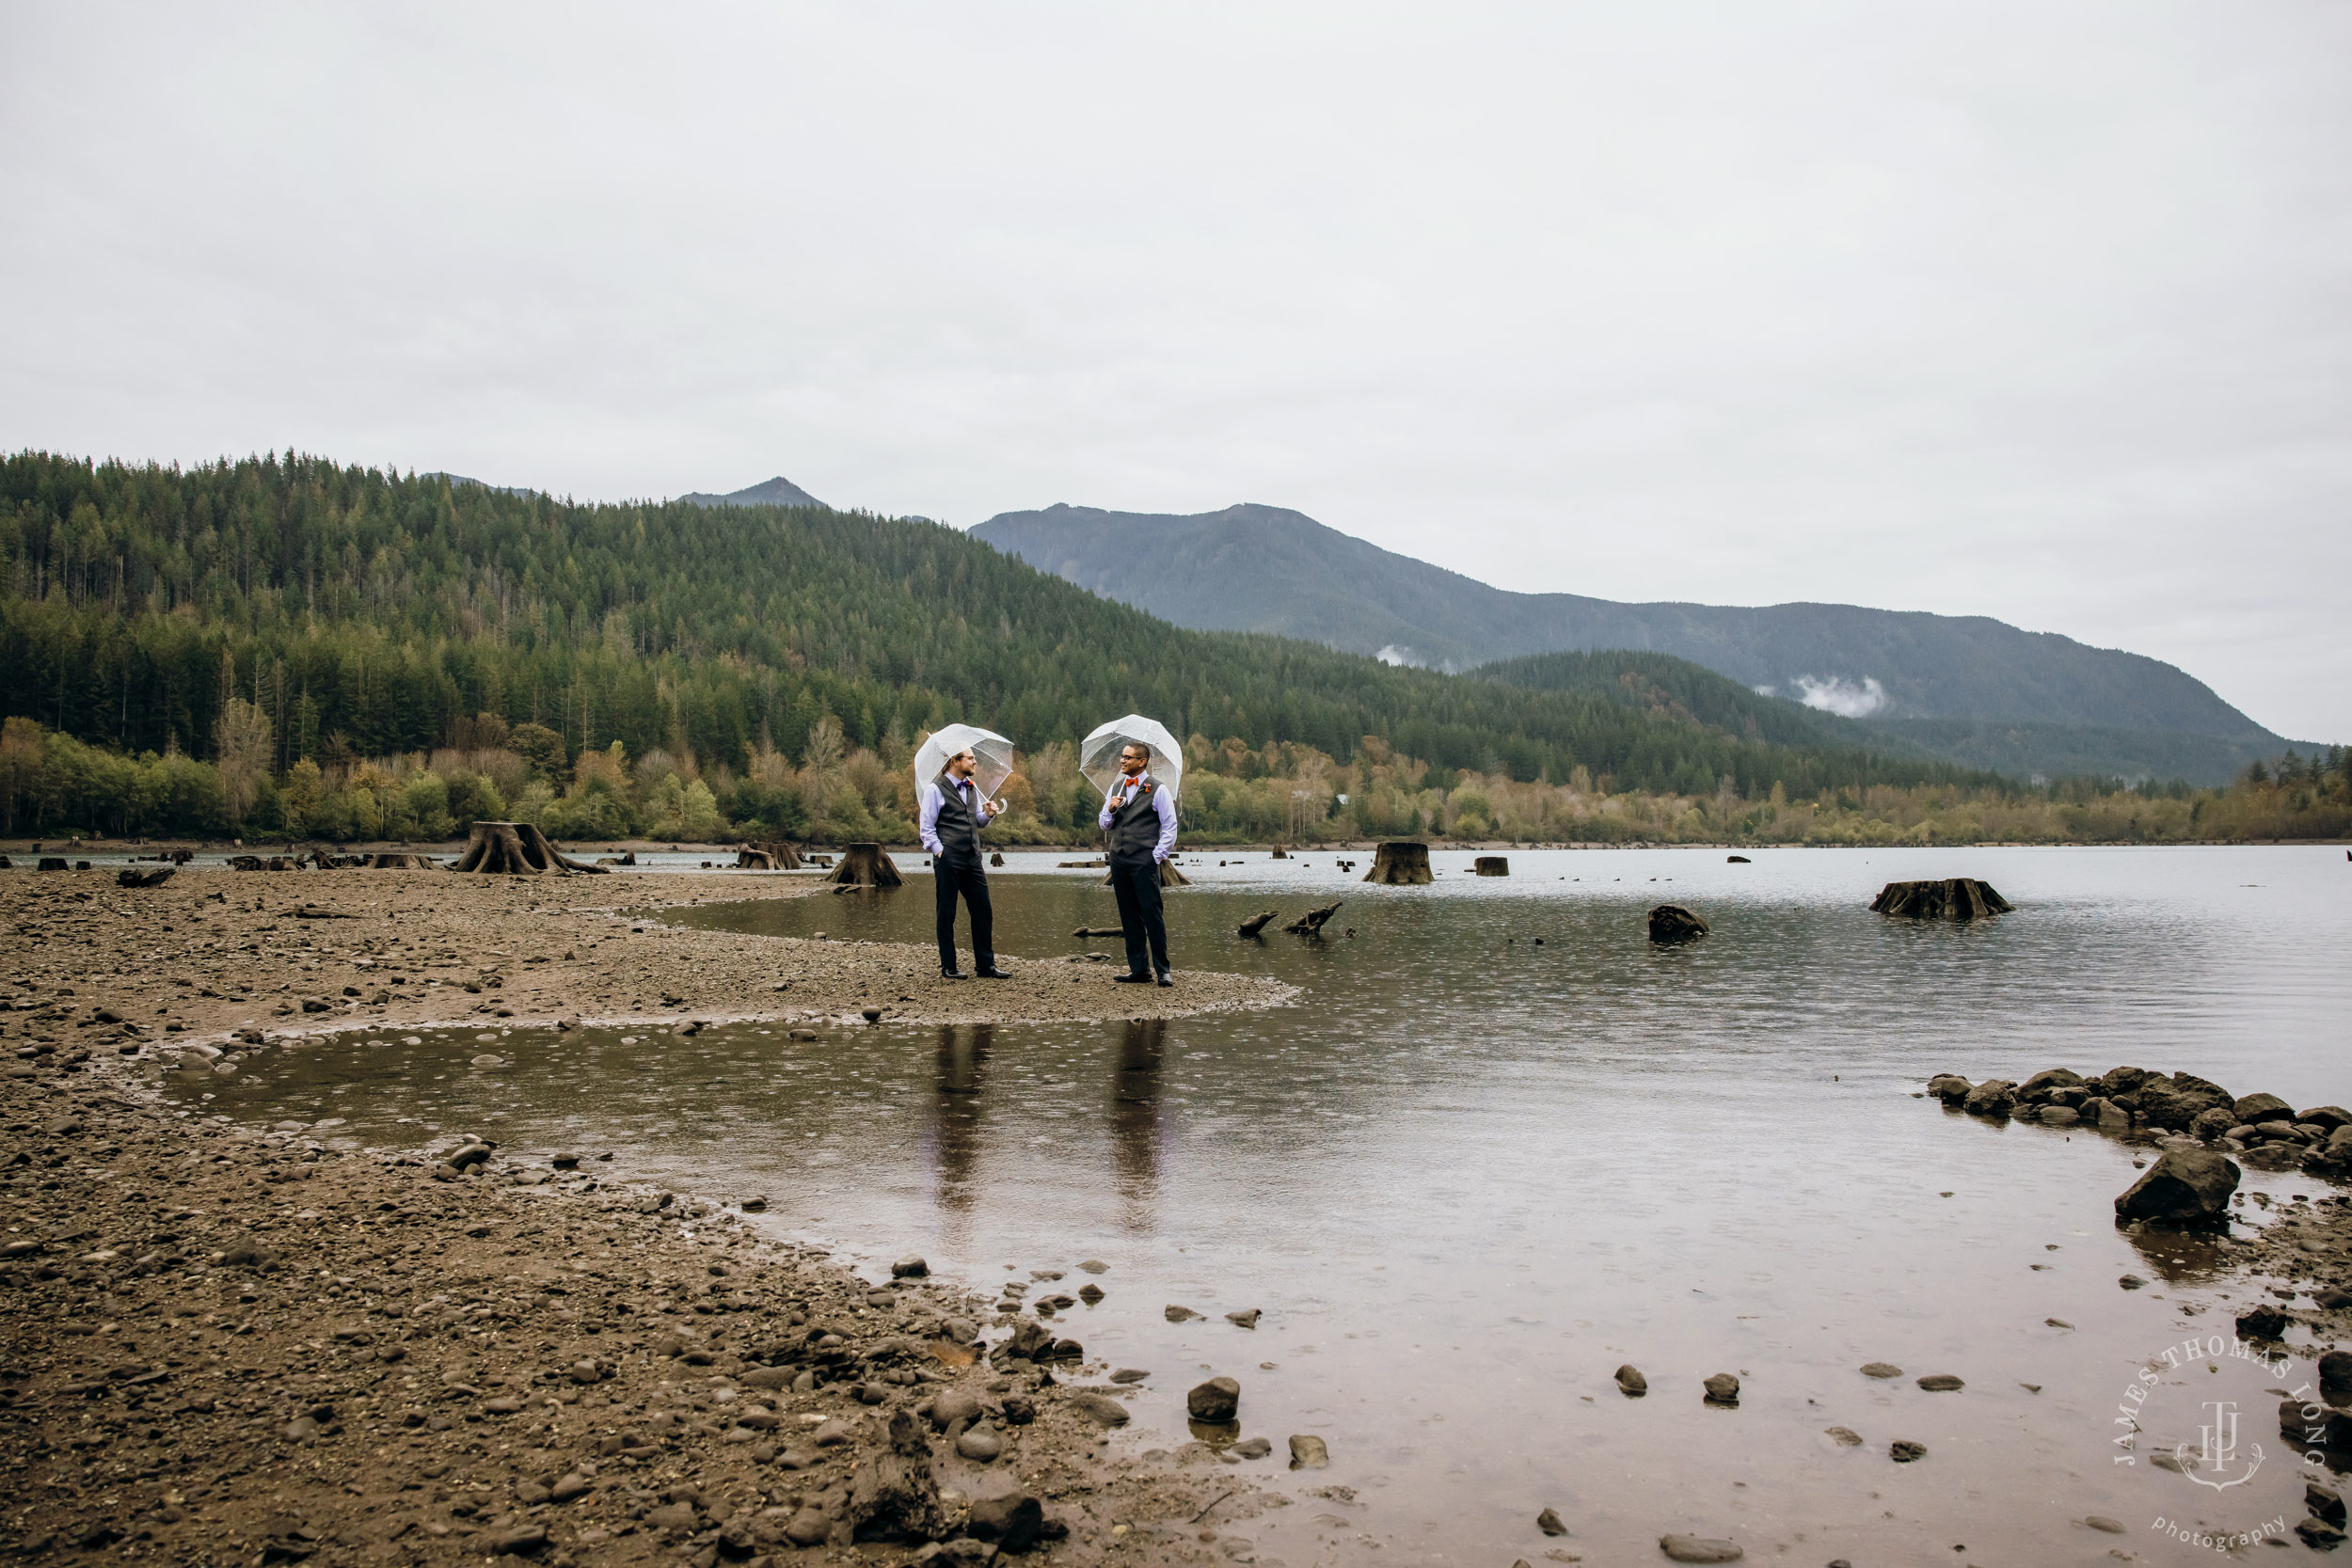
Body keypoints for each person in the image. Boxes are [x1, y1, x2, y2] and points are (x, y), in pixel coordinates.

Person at [919, 748, 1010, 979]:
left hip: (973, 858)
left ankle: (985, 966)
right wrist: (942, 853)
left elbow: (975, 820)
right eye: (970, 758)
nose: (975, 761)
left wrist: (988, 814)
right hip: (949, 858)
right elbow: (927, 831)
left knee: (983, 910)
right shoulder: (934, 789)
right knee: (946, 913)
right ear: (955, 761)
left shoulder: (971, 787)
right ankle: (948, 966)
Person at [1098, 740, 1177, 986]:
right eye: (1122, 757)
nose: (1122, 761)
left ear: (1142, 761)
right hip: (1119, 860)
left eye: (1127, 757)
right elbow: (1104, 824)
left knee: (1152, 915)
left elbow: (1170, 827)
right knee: (1129, 915)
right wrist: (1110, 809)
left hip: (1144, 860)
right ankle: (1139, 970)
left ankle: (1163, 970)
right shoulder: (1116, 787)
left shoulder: (1158, 789)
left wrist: (1155, 856)